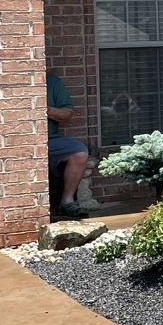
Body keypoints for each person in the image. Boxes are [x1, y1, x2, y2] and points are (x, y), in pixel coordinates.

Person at [47, 72, 90, 218]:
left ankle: (67, 202)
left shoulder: (52, 81)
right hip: (14, 143)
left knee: (79, 153)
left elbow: (68, 114)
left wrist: (46, 109)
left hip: (50, 140)